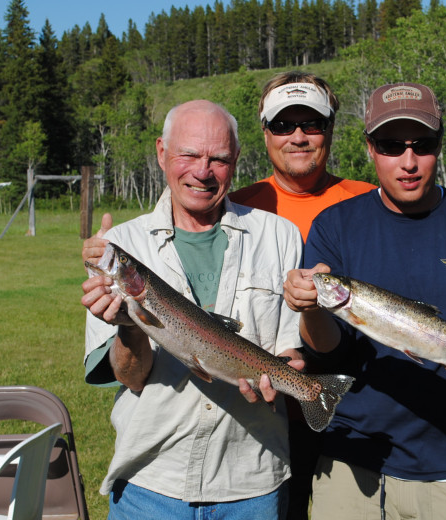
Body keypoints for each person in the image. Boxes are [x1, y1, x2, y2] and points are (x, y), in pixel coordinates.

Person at [82, 72, 446, 520]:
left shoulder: (344, 212)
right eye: (283, 125)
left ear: (332, 132)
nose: (298, 136)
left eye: (312, 124)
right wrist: (115, 278)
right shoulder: (231, 210)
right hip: (279, 442)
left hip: (293, 442)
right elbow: (320, 340)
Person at [282, 83, 446, 520]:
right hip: (350, 457)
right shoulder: (334, 226)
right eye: (391, 145)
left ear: (441, 144)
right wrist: (311, 307)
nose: (409, 161)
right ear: (370, 148)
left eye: (423, 145)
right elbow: (329, 350)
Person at [81, 100, 304, 519]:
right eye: (189, 155)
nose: (203, 171)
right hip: (150, 484)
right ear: (162, 153)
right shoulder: (122, 248)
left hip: (252, 483)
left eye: (218, 158)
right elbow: (129, 378)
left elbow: (292, 348)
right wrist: (129, 326)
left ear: (235, 160)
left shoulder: (279, 236)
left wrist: (292, 374)